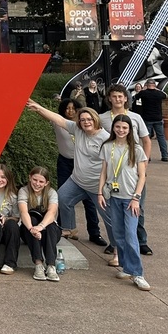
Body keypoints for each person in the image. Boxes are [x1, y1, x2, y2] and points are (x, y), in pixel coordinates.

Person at [97, 115, 150, 291]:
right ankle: (127, 267)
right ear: (113, 128)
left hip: (130, 198)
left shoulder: (136, 149)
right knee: (118, 234)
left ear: (130, 130)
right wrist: (100, 192)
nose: (121, 130)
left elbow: (142, 176)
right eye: (118, 127)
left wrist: (136, 198)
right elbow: (104, 172)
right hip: (113, 196)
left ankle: (138, 273)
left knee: (130, 234)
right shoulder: (107, 147)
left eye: (124, 128)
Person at [100, 84, 152, 256]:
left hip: (133, 168)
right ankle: (115, 244)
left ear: (125, 98)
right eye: (114, 96)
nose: (117, 99)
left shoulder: (135, 117)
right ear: (109, 98)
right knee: (114, 211)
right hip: (114, 171)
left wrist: (144, 164)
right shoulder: (103, 118)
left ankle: (141, 240)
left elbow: (146, 141)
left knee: (137, 207)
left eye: (120, 96)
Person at [49, 98, 105, 244]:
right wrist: (35, 106)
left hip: (94, 179)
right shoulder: (72, 127)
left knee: (97, 208)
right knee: (63, 196)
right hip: (69, 166)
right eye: (67, 108)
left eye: (89, 119)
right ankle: (67, 228)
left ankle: (98, 235)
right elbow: (55, 118)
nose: (70, 111)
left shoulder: (103, 137)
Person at [17, 166, 63, 281]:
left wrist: (40, 227)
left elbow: (52, 213)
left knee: (51, 226)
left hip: (48, 230)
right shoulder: (24, 191)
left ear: (46, 183)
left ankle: (51, 266)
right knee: (31, 218)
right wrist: (32, 228)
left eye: (41, 181)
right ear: (30, 178)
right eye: (35, 180)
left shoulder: (52, 193)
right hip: (29, 229)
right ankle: (38, 264)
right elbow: (23, 212)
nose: (37, 184)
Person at [134, 79, 168, 162]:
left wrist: (143, 89)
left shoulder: (143, 93)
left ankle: (148, 156)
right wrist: (157, 89)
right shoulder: (159, 93)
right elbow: (166, 95)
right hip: (158, 118)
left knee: (147, 138)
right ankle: (165, 156)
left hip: (147, 118)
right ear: (155, 85)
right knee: (161, 137)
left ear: (146, 85)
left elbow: (136, 97)